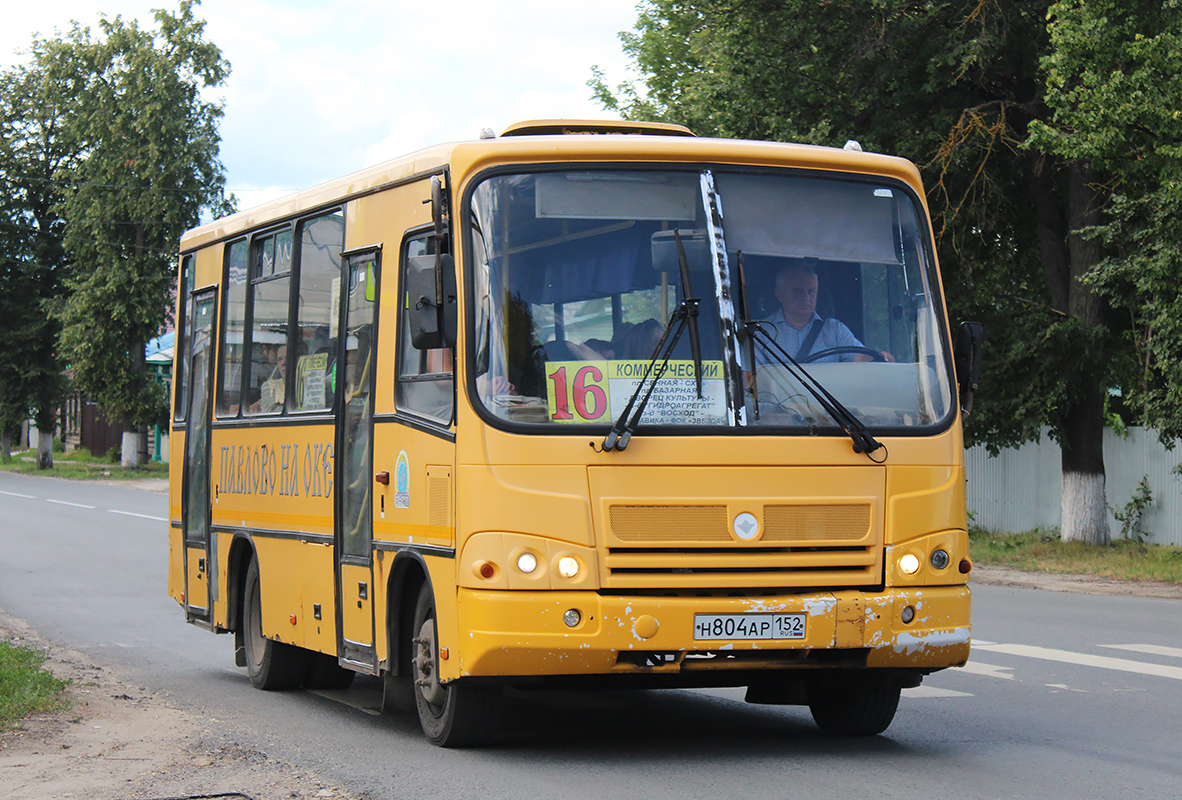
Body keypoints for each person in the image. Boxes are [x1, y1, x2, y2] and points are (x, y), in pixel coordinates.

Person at [756, 262, 893, 364]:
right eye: (798, 291)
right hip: (779, 403)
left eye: (811, 291)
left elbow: (860, 358)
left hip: (829, 403)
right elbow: (749, 381)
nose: (806, 297)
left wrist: (881, 358)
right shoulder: (761, 334)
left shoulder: (834, 330)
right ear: (779, 295)